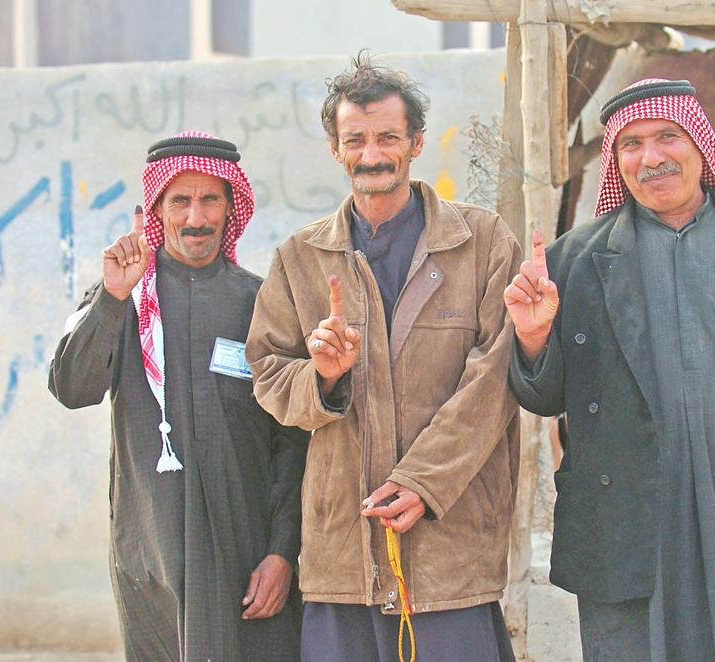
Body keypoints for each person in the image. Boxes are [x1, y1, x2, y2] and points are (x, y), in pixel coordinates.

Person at [505, 78, 715, 660]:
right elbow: (544, 398)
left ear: (700, 144)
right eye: (630, 144)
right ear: (615, 161)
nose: (651, 157)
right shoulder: (572, 263)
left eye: (667, 136)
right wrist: (533, 340)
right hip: (631, 512)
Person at [245, 53, 521, 662]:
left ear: (416, 142)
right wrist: (321, 377)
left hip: (449, 545)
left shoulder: (481, 242)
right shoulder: (299, 258)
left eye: (388, 137)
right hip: (340, 547)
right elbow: (265, 373)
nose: (372, 153)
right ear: (336, 148)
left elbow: (497, 374)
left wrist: (425, 480)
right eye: (356, 140)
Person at [49, 131, 307, 661]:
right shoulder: (121, 298)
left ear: (231, 207)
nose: (196, 217)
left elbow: (296, 443)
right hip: (155, 562)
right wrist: (113, 300)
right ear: (156, 210)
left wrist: (284, 552)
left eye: (210, 199)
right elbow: (72, 388)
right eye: (180, 200)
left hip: (249, 561)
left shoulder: (261, 303)